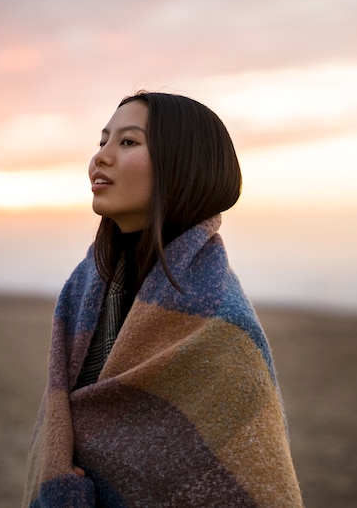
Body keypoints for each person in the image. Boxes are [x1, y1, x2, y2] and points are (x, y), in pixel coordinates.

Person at [23, 91, 303, 507]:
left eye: (128, 142)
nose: (100, 157)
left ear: (182, 165)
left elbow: (253, 489)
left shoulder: (220, 328)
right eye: (102, 141)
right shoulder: (83, 290)